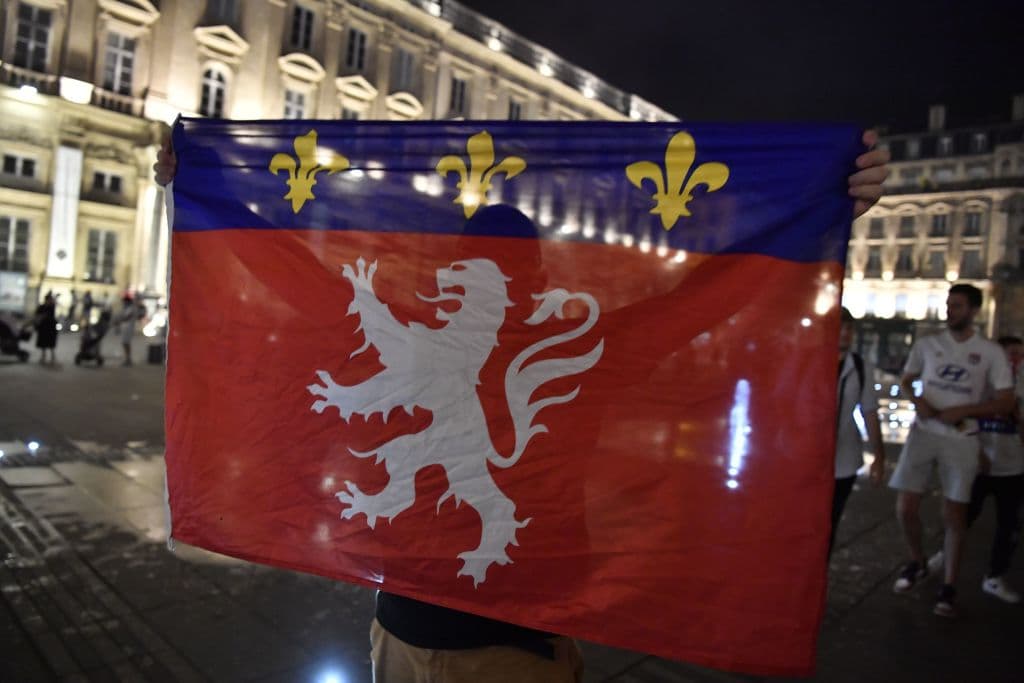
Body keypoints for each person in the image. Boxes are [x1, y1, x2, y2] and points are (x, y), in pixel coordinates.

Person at [155, 129, 890, 681]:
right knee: (426, 462)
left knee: (454, 475)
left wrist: (207, 194)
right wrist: (812, 209)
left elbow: (305, 286)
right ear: (534, 276)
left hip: (450, 631)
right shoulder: (594, 344)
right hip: (475, 629)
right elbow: (694, 306)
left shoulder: (541, 342)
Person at [889, 284, 1014, 617]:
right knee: (905, 507)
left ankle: (949, 585)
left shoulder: (989, 352)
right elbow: (906, 379)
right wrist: (918, 402)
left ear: (973, 310)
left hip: (962, 438)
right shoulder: (928, 344)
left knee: (954, 514)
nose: (949, 311)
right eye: (948, 305)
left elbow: (1006, 400)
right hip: (924, 432)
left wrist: (966, 411)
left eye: (956, 306)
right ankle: (917, 562)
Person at [926, 335, 1024, 603]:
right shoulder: (980, 384)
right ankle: (943, 558)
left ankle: (994, 576)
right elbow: (963, 419)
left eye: (1019, 354)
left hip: (1013, 467)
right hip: (977, 464)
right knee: (961, 517)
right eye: (1009, 354)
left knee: (1009, 524)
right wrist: (975, 450)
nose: (1014, 360)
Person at [830, 307, 886, 556]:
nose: (845, 334)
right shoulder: (810, 363)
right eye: (839, 328)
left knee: (830, 521)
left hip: (844, 460)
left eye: (849, 329)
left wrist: (879, 456)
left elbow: (870, 411)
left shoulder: (861, 367)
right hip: (806, 460)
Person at [34, 292, 58, 364]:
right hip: (44, 327)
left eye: (51, 300)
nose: (50, 301)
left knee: (51, 343)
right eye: (49, 299)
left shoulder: (51, 307)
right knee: (43, 342)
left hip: (51, 327)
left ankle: (52, 356)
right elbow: (37, 315)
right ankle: (43, 356)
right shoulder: (42, 307)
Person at [116, 294, 139, 366]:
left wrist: (119, 320)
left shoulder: (132, 308)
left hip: (128, 328)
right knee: (124, 343)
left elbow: (127, 317)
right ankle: (127, 358)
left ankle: (128, 359)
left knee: (126, 343)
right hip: (125, 328)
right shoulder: (127, 308)